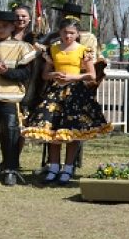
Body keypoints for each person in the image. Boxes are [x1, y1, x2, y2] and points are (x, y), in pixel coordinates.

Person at [23, 17, 112, 185]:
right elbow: (44, 74)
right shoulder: (53, 49)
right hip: (55, 92)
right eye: (65, 32)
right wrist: (54, 75)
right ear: (60, 32)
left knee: (72, 131)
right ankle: (54, 166)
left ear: (77, 33)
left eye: (71, 33)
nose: (68, 36)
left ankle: (69, 167)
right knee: (53, 130)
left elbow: (91, 75)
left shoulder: (83, 50)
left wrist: (73, 76)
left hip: (75, 92)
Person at [0, 10, 37, 185]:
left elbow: (25, 74)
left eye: (4, 26)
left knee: (10, 132)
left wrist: (6, 72)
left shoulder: (22, 47)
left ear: (13, 26)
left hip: (10, 99)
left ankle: (10, 168)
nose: (0, 29)